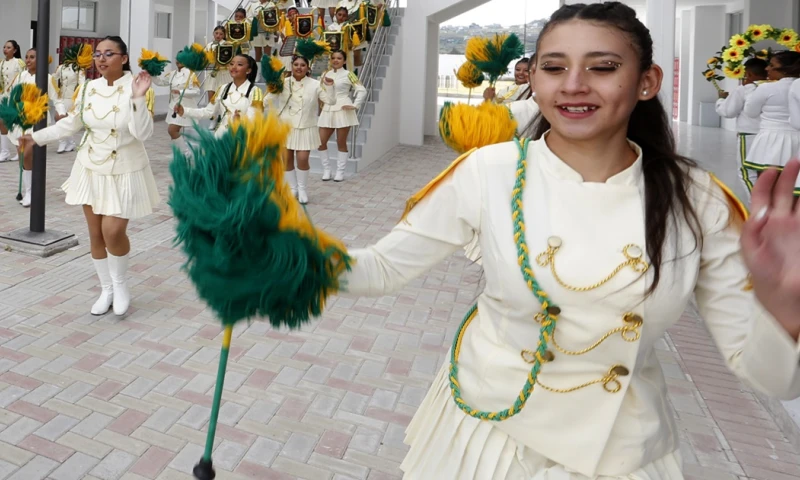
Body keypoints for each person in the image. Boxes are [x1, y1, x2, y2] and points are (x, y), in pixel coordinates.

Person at [337, 3, 800, 478]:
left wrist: (784, 309)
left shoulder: (697, 199)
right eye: (554, 67)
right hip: (490, 437)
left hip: (621, 450)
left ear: (647, 81)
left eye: (604, 67)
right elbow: (382, 268)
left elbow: (774, 378)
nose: (574, 84)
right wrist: (283, 254)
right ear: (534, 79)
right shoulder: (488, 172)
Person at [20, 36, 159, 317]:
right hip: (91, 167)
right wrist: (35, 137)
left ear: (124, 58)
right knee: (96, 234)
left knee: (113, 231)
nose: (102, 59)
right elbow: (71, 124)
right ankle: (105, 288)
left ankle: (120, 285)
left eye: (109, 53)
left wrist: (137, 98)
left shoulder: (138, 86)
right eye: (98, 54)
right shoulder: (88, 88)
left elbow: (143, 133)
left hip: (124, 169)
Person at [264, 53, 335, 204]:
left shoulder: (315, 84)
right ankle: (292, 188)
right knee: (286, 159)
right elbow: (267, 101)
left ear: (308, 68)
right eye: (296, 65)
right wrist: (272, 87)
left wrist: (329, 86)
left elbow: (330, 100)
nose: (299, 67)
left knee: (302, 159)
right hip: (286, 126)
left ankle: (302, 189)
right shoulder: (283, 82)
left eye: (303, 65)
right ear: (292, 66)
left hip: (306, 127)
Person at [6, 48, 66, 207]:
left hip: (37, 120)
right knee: (22, 156)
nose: (28, 60)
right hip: (20, 120)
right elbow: (12, 95)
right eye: (27, 57)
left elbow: (57, 99)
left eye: (32, 57)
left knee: (27, 154)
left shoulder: (47, 78)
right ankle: (27, 190)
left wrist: (61, 113)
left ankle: (32, 192)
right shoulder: (21, 76)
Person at [744, 51, 800, 193]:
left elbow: (751, 112)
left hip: (770, 140)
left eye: (772, 65)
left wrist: (750, 90)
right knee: (792, 189)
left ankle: (765, 213)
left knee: (766, 187)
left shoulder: (766, 88)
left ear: (786, 69)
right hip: (797, 139)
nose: (766, 68)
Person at [175, 54, 263, 138]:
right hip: (220, 138)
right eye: (231, 64)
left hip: (242, 139)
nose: (233, 67)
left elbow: (255, 119)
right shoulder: (223, 89)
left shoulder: (255, 92)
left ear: (248, 70)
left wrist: (241, 121)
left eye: (239, 64)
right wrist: (185, 111)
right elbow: (208, 112)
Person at [716, 57, 768, 197]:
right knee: (767, 171)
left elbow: (727, 112)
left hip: (749, 135)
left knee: (747, 172)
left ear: (749, 74)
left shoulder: (744, 90)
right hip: (771, 135)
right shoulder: (774, 88)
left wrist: (721, 99)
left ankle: (759, 204)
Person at [317, 49, 366, 181]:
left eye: (339, 58)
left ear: (344, 61)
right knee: (320, 143)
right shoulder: (325, 74)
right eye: (333, 58)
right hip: (327, 109)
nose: (336, 60)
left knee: (341, 142)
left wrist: (355, 105)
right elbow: (320, 93)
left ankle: (340, 171)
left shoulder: (350, 74)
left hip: (343, 109)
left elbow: (361, 90)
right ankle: (327, 170)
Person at [153, 60, 201, 156]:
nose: (179, 61)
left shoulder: (191, 74)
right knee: (174, 132)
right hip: (173, 106)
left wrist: (181, 91)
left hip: (184, 107)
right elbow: (160, 82)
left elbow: (197, 91)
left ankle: (185, 153)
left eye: (182, 58)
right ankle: (179, 154)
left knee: (172, 130)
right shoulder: (172, 74)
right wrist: (151, 74)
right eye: (177, 58)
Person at [53, 52, 88, 154]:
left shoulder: (78, 68)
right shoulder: (61, 68)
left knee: (66, 120)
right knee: (58, 118)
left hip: (71, 97)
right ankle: (64, 142)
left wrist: (79, 97)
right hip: (61, 96)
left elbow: (82, 84)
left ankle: (69, 142)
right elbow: (54, 79)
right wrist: (56, 89)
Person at [205, 26, 235, 132]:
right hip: (211, 74)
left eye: (221, 34)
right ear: (213, 33)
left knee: (223, 97)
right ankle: (213, 119)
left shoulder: (227, 45)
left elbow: (230, 60)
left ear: (224, 35)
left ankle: (223, 119)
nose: (218, 36)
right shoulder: (209, 45)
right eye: (216, 33)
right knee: (211, 97)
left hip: (223, 74)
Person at [0, 40, 25, 163]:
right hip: (4, 96)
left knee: (16, 125)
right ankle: (4, 152)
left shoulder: (19, 63)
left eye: (9, 47)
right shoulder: (1, 63)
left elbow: (23, 78)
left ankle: (19, 150)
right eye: (4, 47)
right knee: (2, 122)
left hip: (16, 96)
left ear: (15, 50)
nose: (5, 49)